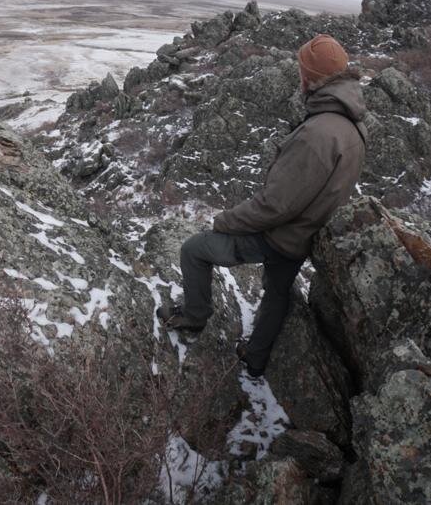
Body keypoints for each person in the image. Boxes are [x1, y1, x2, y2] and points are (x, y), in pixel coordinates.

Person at [156, 33, 368, 378]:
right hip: (307, 235)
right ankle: (255, 359)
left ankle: (194, 318)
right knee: (277, 291)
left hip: (280, 235)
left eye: (302, 70)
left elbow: (274, 206)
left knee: (194, 249)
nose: (299, 77)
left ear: (312, 78)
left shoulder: (319, 133)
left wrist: (224, 221)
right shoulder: (353, 124)